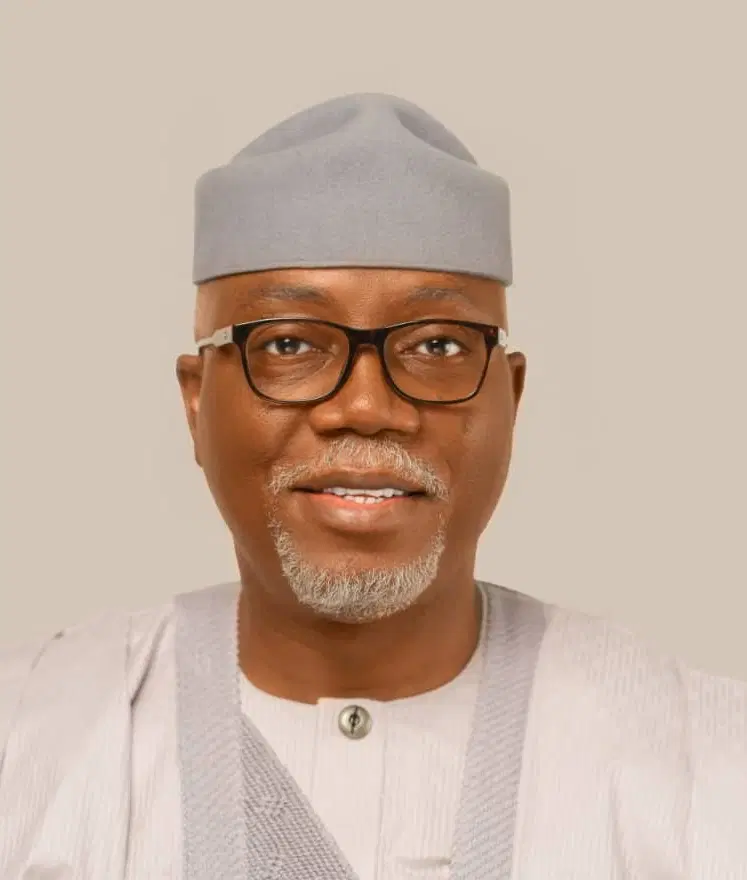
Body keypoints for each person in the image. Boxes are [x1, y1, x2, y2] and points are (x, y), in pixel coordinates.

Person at [0, 93, 745, 880]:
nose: (366, 407)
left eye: (437, 345)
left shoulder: (706, 767)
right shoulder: (30, 743)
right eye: (288, 344)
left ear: (511, 396)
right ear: (196, 400)